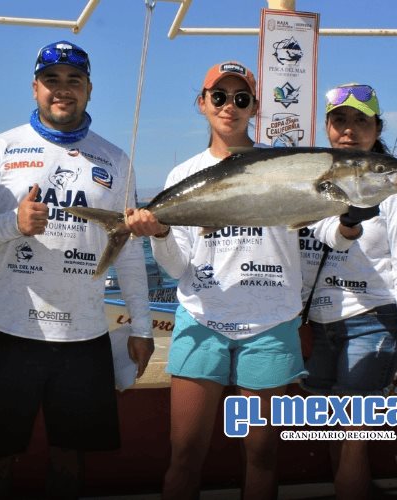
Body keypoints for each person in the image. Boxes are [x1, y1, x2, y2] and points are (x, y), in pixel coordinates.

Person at [0, 40, 154, 498]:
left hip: (84, 337)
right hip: (12, 332)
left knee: (71, 460)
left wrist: (142, 325)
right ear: (35, 88)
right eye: (52, 81)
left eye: (74, 81)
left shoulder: (115, 159)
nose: (62, 90)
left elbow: (126, 248)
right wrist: (14, 224)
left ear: (89, 89)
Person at [126, 61, 307, 500]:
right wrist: (163, 231)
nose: (230, 106)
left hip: (271, 324)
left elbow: (320, 226)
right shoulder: (181, 176)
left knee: (262, 454)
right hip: (201, 320)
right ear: (202, 103)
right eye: (220, 96)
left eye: (241, 99)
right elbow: (175, 267)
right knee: (185, 453)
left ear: (255, 107)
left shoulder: (285, 166)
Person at [299, 83, 397, 499]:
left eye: (361, 121)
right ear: (326, 126)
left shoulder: (395, 185)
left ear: (377, 128)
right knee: (332, 434)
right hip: (317, 326)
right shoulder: (311, 180)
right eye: (340, 120)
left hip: (371, 325)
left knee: (352, 435)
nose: (349, 130)